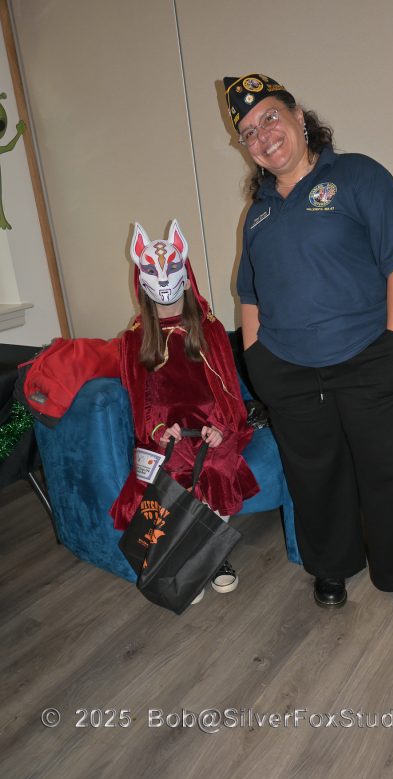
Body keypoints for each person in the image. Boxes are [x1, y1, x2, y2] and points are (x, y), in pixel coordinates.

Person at [222, 73, 393, 610]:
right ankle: (331, 568)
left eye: (269, 118)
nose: (262, 136)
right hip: (290, 370)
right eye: (249, 132)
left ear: (298, 117)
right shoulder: (258, 213)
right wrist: (257, 360)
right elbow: (250, 294)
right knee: (315, 478)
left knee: (392, 470)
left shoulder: (359, 175)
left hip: (370, 356)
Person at [110, 219, 259, 602]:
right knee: (172, 476)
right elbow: (139, 401)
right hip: (166, 433)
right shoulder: (135, 339)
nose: (164, 281)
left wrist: (221, 426)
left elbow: (227, 391)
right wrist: (159, 431)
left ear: (187, 277)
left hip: (212, 428)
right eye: (154, 272)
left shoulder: (209, 329)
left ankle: (213, 554)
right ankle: (185, 558)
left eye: (172, 269)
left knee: (216, 468)